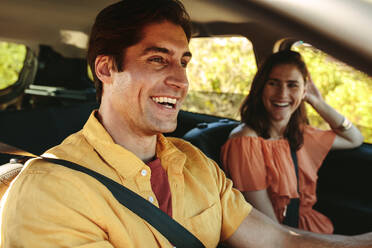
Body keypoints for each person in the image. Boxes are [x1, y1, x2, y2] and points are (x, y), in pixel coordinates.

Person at [1, 1, 371, 247]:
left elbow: (278, 240)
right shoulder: (49, 192)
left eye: (184, 62)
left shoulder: (195, 164)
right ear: (106, 68)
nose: (181, 81)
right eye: (159, 60)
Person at [221, 50, 364, 234]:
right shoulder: (245, 142)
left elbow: (353, 138)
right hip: (282, 238)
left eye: (292, 85)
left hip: (311, 229)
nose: (282, 93)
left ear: (304, 90)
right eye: (273, 83)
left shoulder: (300, 135)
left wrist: (318, 102)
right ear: (261, 87)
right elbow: (270, 228)